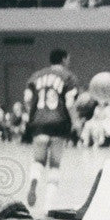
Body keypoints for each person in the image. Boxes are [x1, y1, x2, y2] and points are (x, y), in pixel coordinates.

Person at [24, 49, 80, 210]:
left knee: (38, 161)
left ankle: (34, 181)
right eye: (68, 59)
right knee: (55, 165)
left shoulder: (36, 76)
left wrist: (33, 118)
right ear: (63, 59)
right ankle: (48, 205)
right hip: (59, 123)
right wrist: (76, 123)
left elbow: (27, 100)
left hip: (39, 123)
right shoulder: (68, 77)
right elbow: (69, 103)